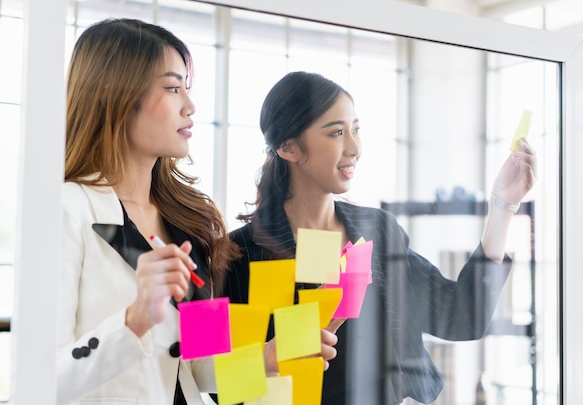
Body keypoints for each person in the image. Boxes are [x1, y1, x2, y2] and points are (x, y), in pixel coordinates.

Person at [222, 71, 537, 404]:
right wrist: (268, 357)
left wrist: (502, 205)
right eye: (337, 133)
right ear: (289, 147)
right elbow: (210, 381)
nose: (355, 148)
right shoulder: (232, 252)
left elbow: (461, 317)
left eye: (356, 129)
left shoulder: (380, 231)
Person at [57, 18, 240, 405]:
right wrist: (136, 318)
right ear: (114, 96)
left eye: (186, 89)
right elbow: (42, 382)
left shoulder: (189, 220)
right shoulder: (66, 208)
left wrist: (271, 359)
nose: (190, 107)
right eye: (173, 88)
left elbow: (200, 367)